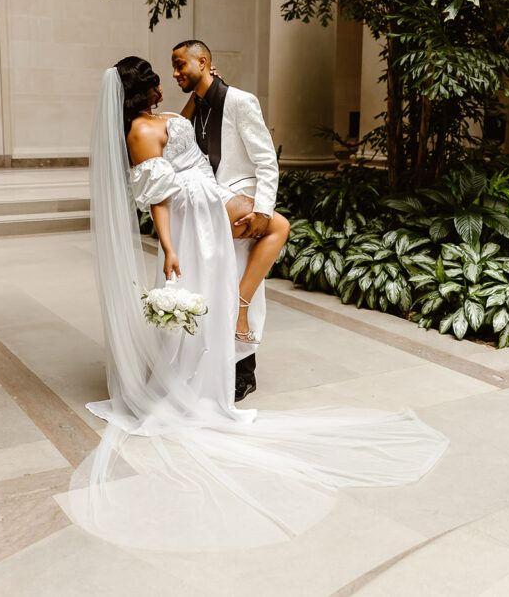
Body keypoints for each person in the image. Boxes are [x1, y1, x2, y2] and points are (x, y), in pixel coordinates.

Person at [74, 58, 448, 552]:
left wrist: (203, 88)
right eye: (159, 78)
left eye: (178, 69)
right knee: (276, 227)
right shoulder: (141, 131)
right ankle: (236, 314)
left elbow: (183, 121)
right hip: (196, 204)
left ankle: (238, 309)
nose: (168, 82)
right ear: (144, 90)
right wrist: (166, 248)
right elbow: (158, 196)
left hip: (211, 193)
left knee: (266, 234)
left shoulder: (164, 117)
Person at [171, 40, 277, 401]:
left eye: (180, 65)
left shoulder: (240, 101)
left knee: (246, 289)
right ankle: (215, 365)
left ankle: (244, 373)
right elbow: (176, 139)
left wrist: (263, 210)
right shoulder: (195, 109)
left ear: (203, 62)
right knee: (214, 287)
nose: (175, 73)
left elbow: (266, 161)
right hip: (210, 210)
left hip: (241, 208)